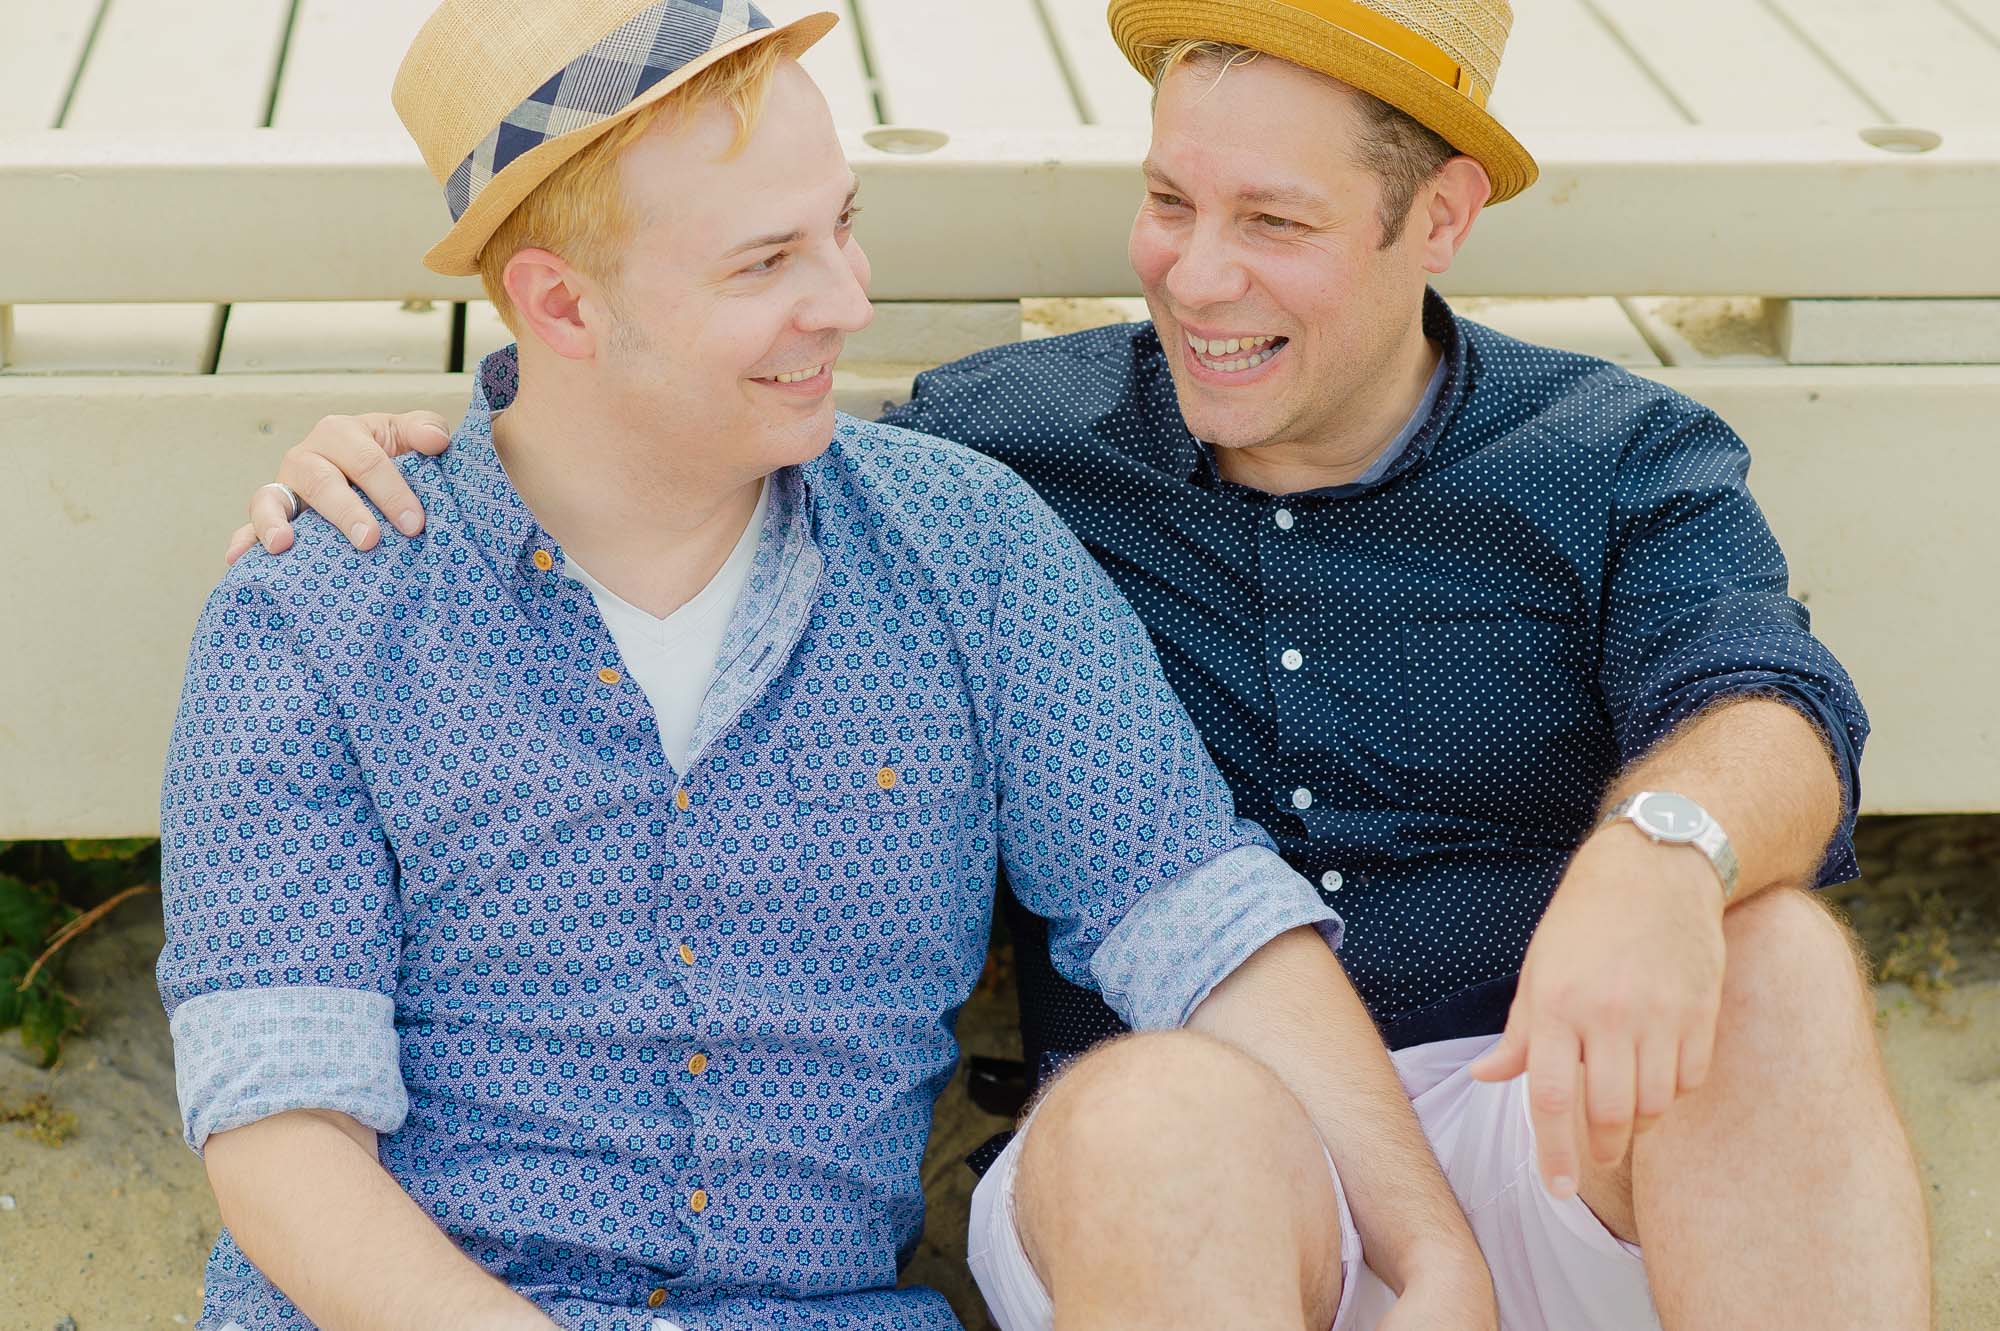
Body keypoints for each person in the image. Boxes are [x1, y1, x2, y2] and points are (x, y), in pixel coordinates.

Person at [225, 0, 1931, 1327]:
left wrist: (1663, 856)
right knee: (1159, 1113)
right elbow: (659, 435)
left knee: (1773, 960)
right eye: (1171, 201)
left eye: (1275, 221)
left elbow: (1767, 709)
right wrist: (415, 463)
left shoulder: (1604, 452)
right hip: (1176, 1188)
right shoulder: (993, 467)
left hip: (1537, 1123)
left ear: (1442, 219)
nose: (1201, 275)